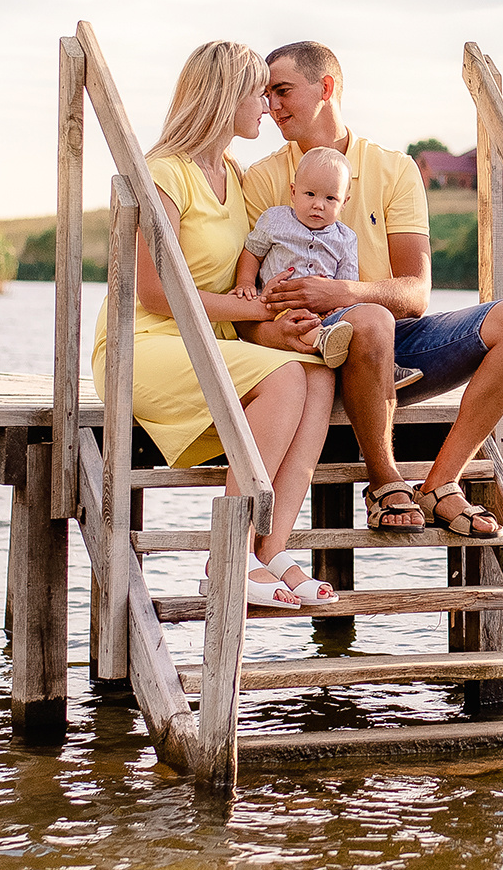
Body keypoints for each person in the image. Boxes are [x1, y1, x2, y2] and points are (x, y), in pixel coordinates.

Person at [238, 40, 503, 540]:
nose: (271, 105)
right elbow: (246, 292)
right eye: (266, 93)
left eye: (282, 90)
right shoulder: (261, 178)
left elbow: (415, 292)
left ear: (327, 88)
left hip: (394, 348)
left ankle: (441, 483)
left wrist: (343, 293)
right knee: (370, 318)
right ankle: (385, 482)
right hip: (300, 350)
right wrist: (287, 326)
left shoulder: (394, 169)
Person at [91, 39, 339, 608]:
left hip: (211, 345)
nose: (267, 106)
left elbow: (259, 257)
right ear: (226, 97)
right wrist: (261, 309)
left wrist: (291, 301)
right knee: (285, 378)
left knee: (318, 374)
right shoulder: (162, 174)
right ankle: (226, 558)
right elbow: (155, 294)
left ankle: (269, 550)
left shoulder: (232, 171)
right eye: (258, 91)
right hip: (144, 345)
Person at [230, 144, 359, 372]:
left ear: (344, 202)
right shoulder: (275, 220)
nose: (318, 205)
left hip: (321, 311)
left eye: (330, 198)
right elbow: (252, 252)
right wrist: (246, 282)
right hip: (277, 304)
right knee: (299, 322)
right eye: (309, 194)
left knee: (345, 322)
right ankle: (323, 340)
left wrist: (335, 306)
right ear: (293, 192)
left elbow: (346, 284)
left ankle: (329, 339)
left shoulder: (345, 239)